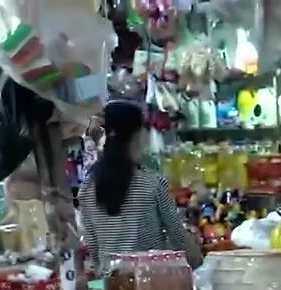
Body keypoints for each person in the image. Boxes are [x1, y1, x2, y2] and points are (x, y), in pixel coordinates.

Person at [78, 101, 202, 271]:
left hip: (109, 287)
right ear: (138, 135)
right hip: (150, 284)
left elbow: (94, 252)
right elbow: (179, 238)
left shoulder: (87, 188)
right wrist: (199, 263)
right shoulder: (152, 183)